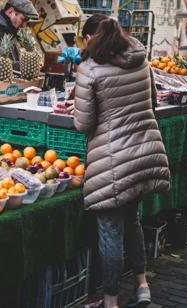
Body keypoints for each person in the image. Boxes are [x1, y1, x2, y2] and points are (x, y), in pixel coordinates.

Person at [74, 14, 171, 308]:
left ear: (92, 38)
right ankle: (143, 286)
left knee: (110, 232)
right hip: (143, 153)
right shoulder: (140, 59)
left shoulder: (89, 70)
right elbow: (152, 100)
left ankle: (110, 301)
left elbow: (83, 123)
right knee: (133, 222)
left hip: (113, 162)